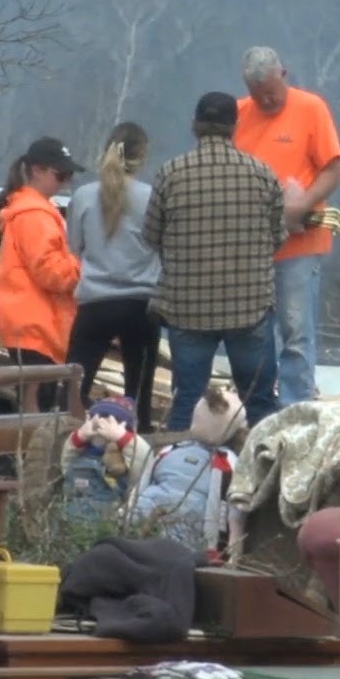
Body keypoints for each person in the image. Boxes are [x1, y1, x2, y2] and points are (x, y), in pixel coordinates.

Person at [144, 91, 285, 430]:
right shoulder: (262, 173)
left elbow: (151, 236)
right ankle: (261, 474)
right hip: (249, 306)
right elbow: (278, 237)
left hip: (188, 309)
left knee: (187, 400)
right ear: (234, 127)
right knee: (260, 402)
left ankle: (178, 472)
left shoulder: (171, 173)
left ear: (195, 126)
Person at [234, 46, 340, 407]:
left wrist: (303, 202)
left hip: (300, 245)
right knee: (255, 332)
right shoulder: (238, 114)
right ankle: (261, 407)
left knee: (296, 332)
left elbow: (333, 170)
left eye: (271, 92)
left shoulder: (311, 108)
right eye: (258, 94)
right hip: (252, 249)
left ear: (284, 74)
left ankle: (295, 406)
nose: (266, 100)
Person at [65, 122, 162, 430]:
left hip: (94, 303)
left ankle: (65, 447)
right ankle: (138, 454)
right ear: (142, 156)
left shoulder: (82, 196)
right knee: (140, 394)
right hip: (140, 306)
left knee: (72, 389)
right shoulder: (153, 198)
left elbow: (74, 249)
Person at [0, 137, 84, 413]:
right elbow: (51, 273)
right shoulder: (35, 217)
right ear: (37, 170)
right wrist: (82, 264)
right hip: (33, 325)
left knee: (34, 400)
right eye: (60, 175)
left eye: (69, 176)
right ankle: (31, 455)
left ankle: (27, 452)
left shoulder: (33, 211)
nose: (65, 182)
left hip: (28, 322)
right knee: (36, 404)